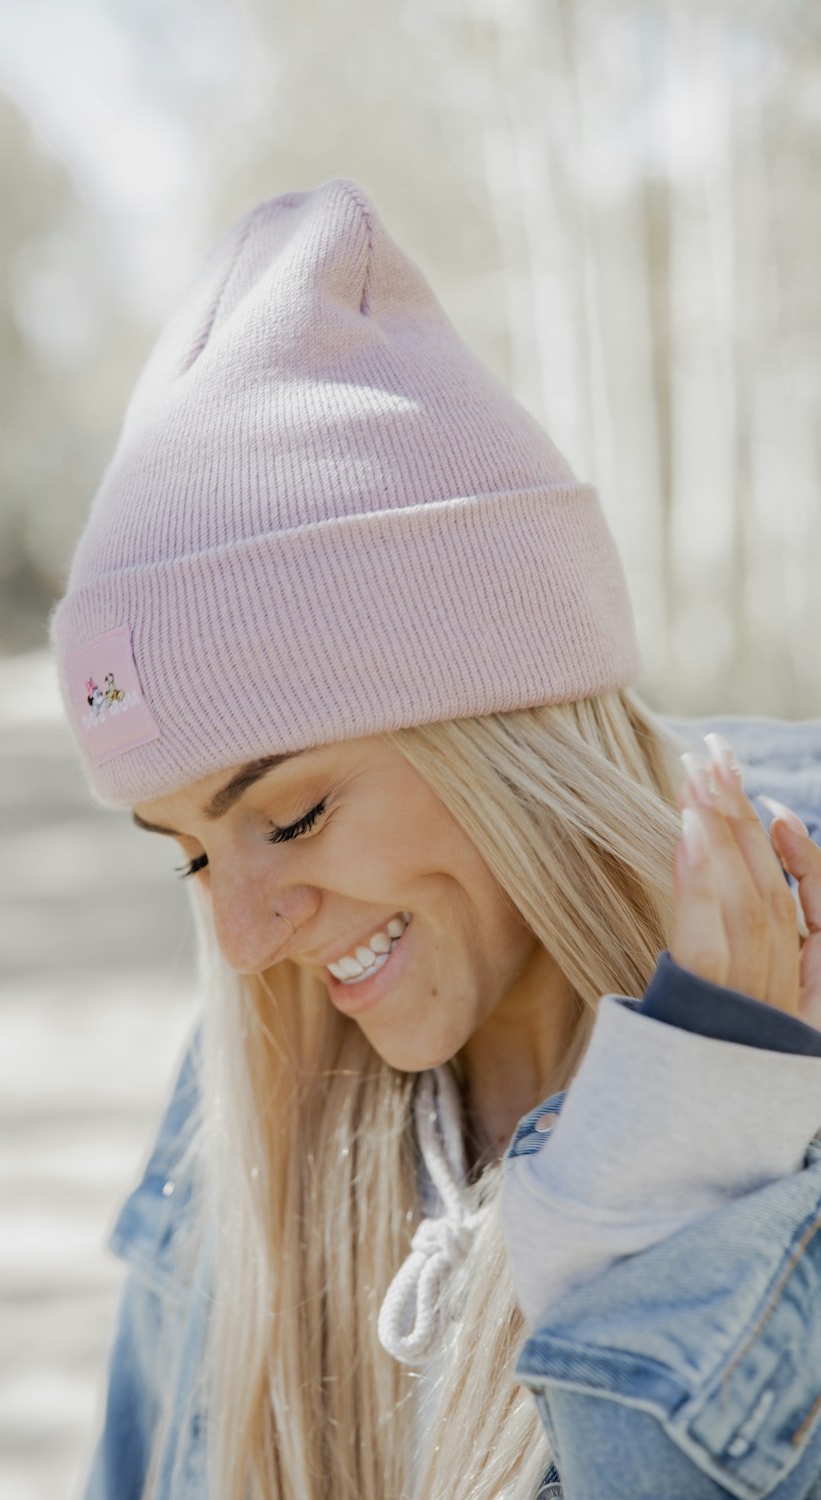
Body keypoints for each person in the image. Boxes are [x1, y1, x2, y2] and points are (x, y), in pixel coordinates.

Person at [48, 177, 821, 1500]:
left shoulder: (791, 1057)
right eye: (188, 853)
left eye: (289, 815)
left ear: (502, 730)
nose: (243, 943)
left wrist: (668, 1195)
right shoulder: (242, 1100)